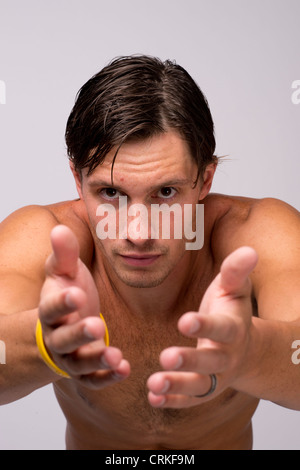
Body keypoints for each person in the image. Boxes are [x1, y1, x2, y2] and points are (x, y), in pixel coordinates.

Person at [0, 55, 299, 450]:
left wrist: (249, 354)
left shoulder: (258, 233)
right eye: (111, 193)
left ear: (204, 179)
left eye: (166, 193)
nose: (138, 233)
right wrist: (45, 344)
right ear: (77, 179)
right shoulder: (44, 238)